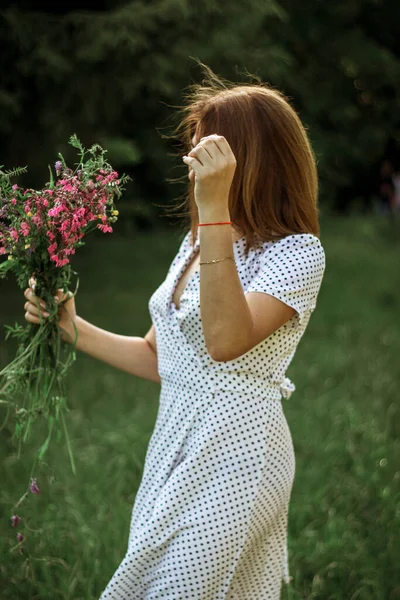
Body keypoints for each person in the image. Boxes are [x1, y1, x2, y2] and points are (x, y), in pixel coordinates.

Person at [23, 65, 326, 599]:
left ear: (248, 159)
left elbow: (226, 341)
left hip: (239, 453)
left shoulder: (297, 253)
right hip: (176, 444)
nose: (190, 163)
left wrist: (214, 211)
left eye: (205, 151)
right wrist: (72, 327)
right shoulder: (196, 246)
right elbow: (158, 356)